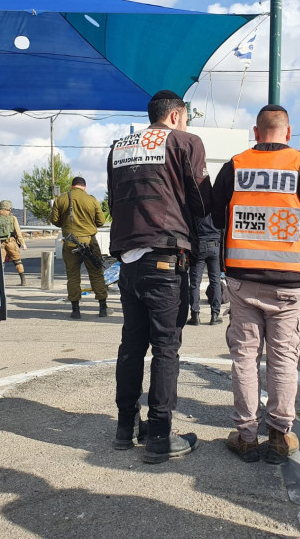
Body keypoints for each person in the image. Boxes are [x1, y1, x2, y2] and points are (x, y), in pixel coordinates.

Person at [211, 104, 300, 464]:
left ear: (256, 131)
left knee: (244, 359)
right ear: (288, 131)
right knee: (283, 360)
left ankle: (245, 436)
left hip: (241, 279)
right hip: (288, 285)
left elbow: (213, 213)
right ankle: (280, 436)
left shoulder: (235, 166)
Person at [107, 89, 212, 464]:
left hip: (128, 259)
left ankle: (124, 427)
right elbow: (202, 201)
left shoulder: (119, 146)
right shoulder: (185, 142)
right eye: (185, 117)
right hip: (166, 257)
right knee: (166, 346)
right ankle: (160, 435)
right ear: (175, 115)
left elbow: (113, 199)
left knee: (131, 345)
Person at [49, 176, 108, 320]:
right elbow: (101, 221)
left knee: (73, 276)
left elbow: (54, 220)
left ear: (72, 186)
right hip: (89, 241)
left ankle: (75, 310)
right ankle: (102, 308)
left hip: (70, 243)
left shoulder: (61, 199)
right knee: (96, 273)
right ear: (84, 187)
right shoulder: (91, 199)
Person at [187, 214, 223, 326]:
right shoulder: (217, 207)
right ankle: (215, 315)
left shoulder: (197, 206)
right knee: (215, 281)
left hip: (199, 246)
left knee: (195, 283)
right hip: (215, 245)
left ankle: (195, 315)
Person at [0, 200, 28, 286]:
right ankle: (23, 281)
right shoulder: (13, 218)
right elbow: (18, 232)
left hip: (0, 243)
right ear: (9, 208)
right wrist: (23, 244)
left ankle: (0, 282)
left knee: (0, 263)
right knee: (17, 261)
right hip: (11, 242)